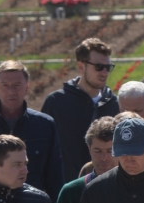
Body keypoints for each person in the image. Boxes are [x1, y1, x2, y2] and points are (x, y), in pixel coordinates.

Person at [0, 60, 65, 200]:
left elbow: (54, 176)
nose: (11, 91)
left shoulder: (44, 125)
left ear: (27, 87)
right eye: (5, 85)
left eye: (17, 85)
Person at [40, 38, 119, 177]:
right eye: (99, 67)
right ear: (81, 67)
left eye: (108, 67)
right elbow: (43, 151)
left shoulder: (114, 104)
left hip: (109, 189)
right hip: (68, 189)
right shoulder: (56, 103)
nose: (105, 73)